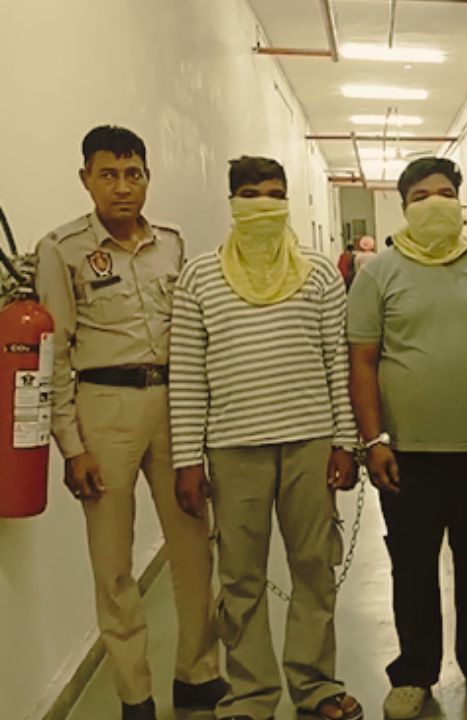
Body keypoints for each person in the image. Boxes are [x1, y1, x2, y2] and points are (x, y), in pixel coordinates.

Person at [34, 125, 226, 720]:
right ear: (86, 179)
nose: (123, 187)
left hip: (174, 403)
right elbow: (55, 356)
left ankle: (197, 674)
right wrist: (72, 447)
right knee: (114, 563)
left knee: (194, 547)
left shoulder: (171, 243)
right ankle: (134, 694)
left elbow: (192, 336)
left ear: (147, 177)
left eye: (133, 174)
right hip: (104, 409)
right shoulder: (61, 249)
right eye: (109, 175)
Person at [169, 156, 364, 720]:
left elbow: (337, 364)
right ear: (232, 203)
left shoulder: (319, 274)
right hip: (233, 448)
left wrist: (345, 442)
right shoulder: (199, 277)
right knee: (241, 578)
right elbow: (188, 374)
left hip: (310, 443)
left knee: (314, 569)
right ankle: (251, 694)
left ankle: (315, 685)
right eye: (251, 194)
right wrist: (187, 458)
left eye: (275, 194)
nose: (264, 205)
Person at [347, 157, 467, 719]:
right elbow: (362, 361)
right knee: (413, 566)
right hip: (408, 454)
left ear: (460, 201)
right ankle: (415, 673)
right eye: (421, 197)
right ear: (403, 208)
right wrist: (373, 439)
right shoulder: (379, 274)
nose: (434, 204)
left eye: (445, 193)